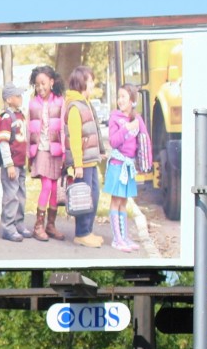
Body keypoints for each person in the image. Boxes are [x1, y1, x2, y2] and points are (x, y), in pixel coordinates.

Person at [63, 65, 105, 248]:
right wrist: (78, 164)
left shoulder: (84, 103)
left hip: (90, 160)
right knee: (84, 196)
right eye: (90, 81)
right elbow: (74, 138)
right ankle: (81, 233)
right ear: (82, 82)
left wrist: (100, 151)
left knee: (93, 194)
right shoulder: (75, 107)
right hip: (82, 163)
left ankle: (87, 230)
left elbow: (93, 129)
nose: (93, 84)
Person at [26, 66, 66, 242]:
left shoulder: (60, 101)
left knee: (56, 190)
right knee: (47, 186)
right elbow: (28, 130)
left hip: (56, 150)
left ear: (51, 82)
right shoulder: (33, 103)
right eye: (37, 85)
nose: (40, 87)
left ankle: (51, 225)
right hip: (40, 150)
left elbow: (64, 129)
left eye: (43, 83)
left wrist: (65, 152)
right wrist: (29, 153)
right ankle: (38, 226)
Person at [104, 84, 146, 252]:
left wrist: (144, 162)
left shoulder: (137, 119)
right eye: (119, 96)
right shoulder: (115, 117)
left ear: (133, 101)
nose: (120, 100)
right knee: (116, 200)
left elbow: (143, 139)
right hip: (117, 164)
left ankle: (124, 236)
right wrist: (126, 129)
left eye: (124, 97)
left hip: (129, 166)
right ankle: (117, 238)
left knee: (124, 201)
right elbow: (113, 141)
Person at [0, 83, 33, 242]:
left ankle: (19, 223)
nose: (20, 98)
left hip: (21, 163)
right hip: (12, 165)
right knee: (11, 196)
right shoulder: (7, 117)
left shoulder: (20, 115)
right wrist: (8, 164)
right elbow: (3, 143)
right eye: (17, 96)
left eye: (21, 95)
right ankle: (8, 227)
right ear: (9, 99)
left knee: (21, 194)